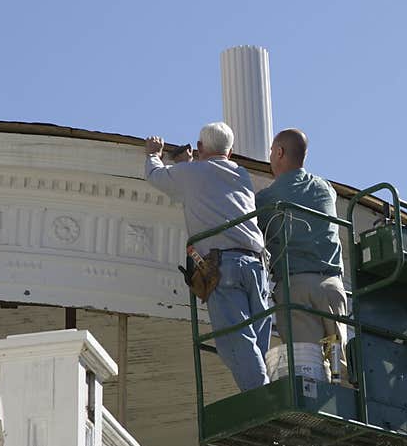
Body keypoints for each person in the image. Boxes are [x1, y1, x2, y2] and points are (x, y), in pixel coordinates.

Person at [144, 122, 271, 392]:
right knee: (258, 338)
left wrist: (153, 153)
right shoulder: (242, 174)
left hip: (224, 267)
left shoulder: (192, 173)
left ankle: (261, 396)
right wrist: (192, 164)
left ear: (201, 147)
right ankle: (264, 388)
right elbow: (212, 181)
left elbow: (157, 176)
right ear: (231, 151)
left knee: (235, 340)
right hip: (255, 265)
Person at [255, 128, 349, 385]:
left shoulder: (267, 199)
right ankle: (343, 396)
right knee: (337, 353)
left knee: (309, 363)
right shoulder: (325, 188)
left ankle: (321, 405)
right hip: (331, 288)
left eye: (273, 152)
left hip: (297, 288)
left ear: (280, 152)